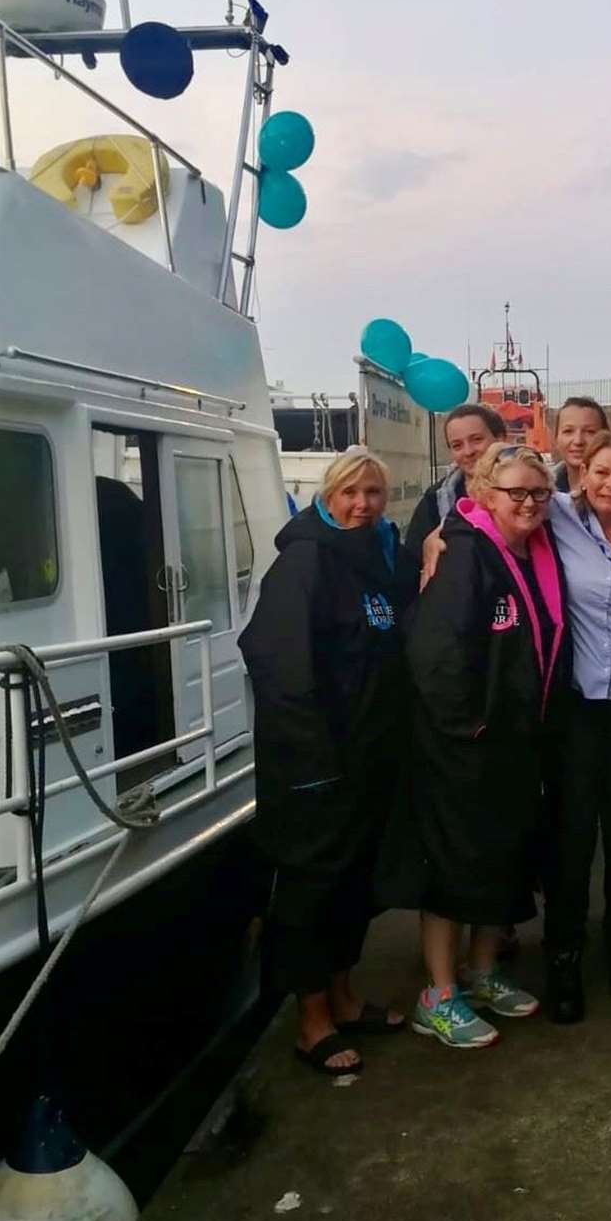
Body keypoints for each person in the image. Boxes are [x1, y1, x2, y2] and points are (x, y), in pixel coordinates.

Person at [238, 448, 418, 1075]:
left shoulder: (373, 561)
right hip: (315, 770)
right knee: (310, 894)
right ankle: (311, 1020)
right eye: (351, 493)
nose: (362, 505)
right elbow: (276, 663)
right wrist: (310, 761)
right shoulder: (306, 561)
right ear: (328, 495)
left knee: (352, 887)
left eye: (373, 493)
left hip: (366, 765)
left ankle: (343, 997)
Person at [386, 442, 569, 1048]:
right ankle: (436, 995)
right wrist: (468, 728)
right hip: (464, 744)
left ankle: (483, 971)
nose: (529, 503)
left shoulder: (537, 550)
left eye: (539, 493)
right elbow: (433, 652)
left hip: (516, 742)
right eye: (515, 492)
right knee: (453, 865)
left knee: (502, 859)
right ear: (484, 495)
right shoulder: (464, 554)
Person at [542, 431, 611, 1022]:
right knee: (572, 839)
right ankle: (563, 960)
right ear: (581, 475)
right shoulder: (556, 516)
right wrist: (435, 541)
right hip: (578, 709)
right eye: (601, 473)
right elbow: (482, 505)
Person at [404, 402, 506, 557]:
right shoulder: (434, 501)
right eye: (457, 445)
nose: (468, 451)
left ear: (500, 438)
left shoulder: (530, 487)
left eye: (477, 439)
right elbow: (412, 563)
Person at [552, 396, 609, 493]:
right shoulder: (543, 493)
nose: (578, 441)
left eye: (589, 432)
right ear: (556, 439)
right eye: (568, 431)